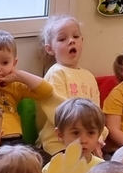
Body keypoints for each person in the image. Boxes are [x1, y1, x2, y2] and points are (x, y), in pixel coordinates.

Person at [36, 14, 102, 154]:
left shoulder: (89, 76)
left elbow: (97, 112)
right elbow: (59, 113)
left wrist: (97, 137)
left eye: (76, 36)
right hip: (58, 144)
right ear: (50, 49)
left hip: (87, 142)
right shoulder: (56, 73)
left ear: (82, 41)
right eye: (62, 39)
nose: (71, 41)